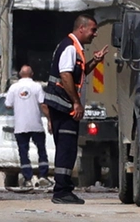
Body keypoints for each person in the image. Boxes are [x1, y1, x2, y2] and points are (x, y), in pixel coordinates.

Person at [43, 14, 108, 204]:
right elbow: (65, 75)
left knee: (68, 148)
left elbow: (76, 73)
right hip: (63, 107)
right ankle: (61, 191)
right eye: (93, 30)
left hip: (63, 106)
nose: (95, 34)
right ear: (81, 28)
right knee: (66, 148)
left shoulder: (74, 48)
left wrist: (95, 62)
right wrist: (76, 102)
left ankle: (64, 189)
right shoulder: (70, 48)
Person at [4, 65, 50, 188]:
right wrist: (50, 120)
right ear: (32, 74)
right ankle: (43, 176)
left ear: (20, 74)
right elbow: (43, 104)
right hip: (36, 124)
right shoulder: (37, 86)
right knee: (41, 150)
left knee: (23, 152)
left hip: (21, 125)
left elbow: (8, 104)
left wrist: (19, 105)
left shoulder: (14, 88)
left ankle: (28, 178)